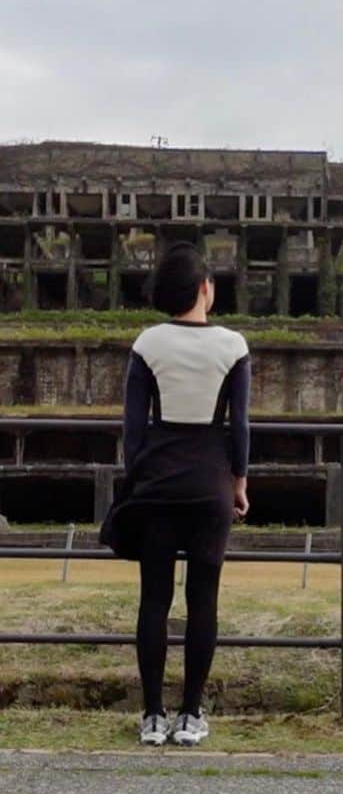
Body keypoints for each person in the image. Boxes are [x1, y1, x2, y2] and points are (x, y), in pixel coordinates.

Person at [100, 242, 251, 747]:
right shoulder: (233, 344)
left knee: (154, 599)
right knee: (203, 600)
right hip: (210, 484)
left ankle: (152, 716)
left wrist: (137, 480)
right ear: (205, 288)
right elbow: (240, 426)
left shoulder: (148, 343)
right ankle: (191, 716)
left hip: (158, 484)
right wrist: (239, 482)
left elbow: (133, 429)